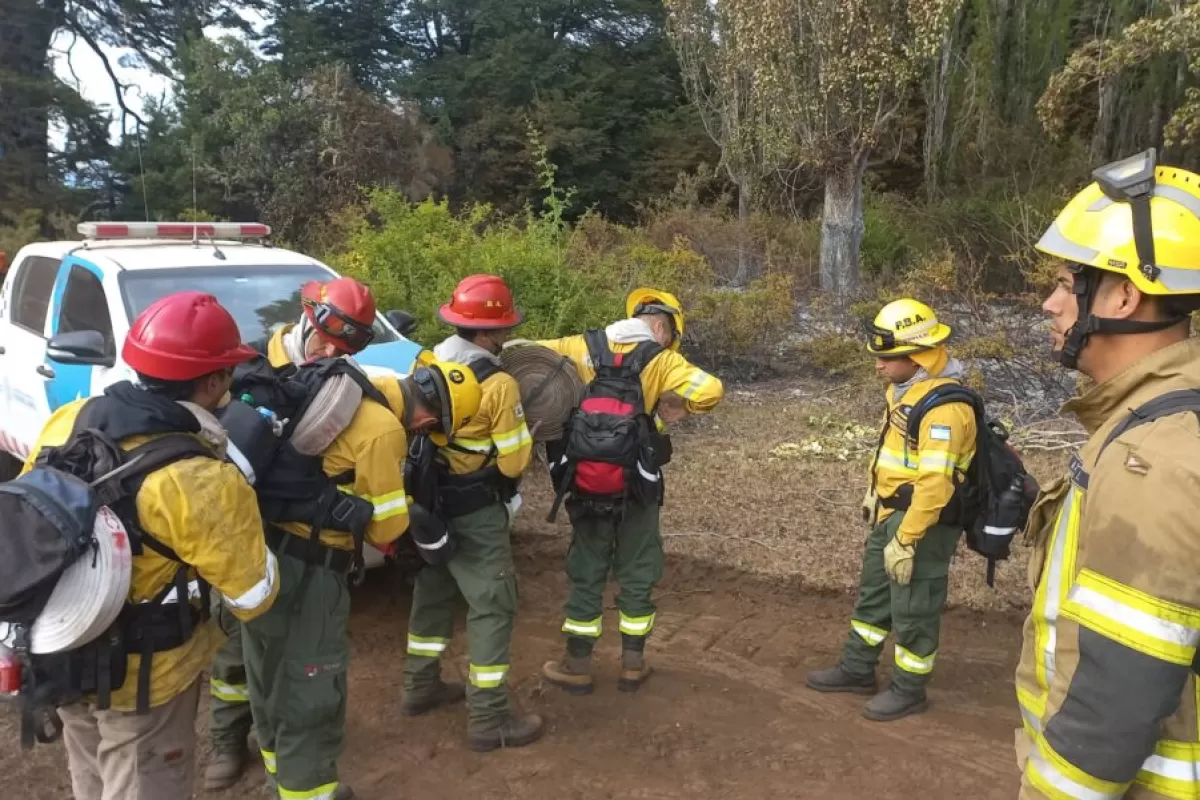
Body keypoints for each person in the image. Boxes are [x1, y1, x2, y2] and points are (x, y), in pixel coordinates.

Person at [24, 291, 279, 799]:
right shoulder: (202, 478)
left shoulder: (72, 419)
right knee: (142, 779)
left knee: (93, 774)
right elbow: (254, 596)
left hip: (61, 647)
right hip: (144, 677)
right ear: (213, 382)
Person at [1014, 151, 1200, 798]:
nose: (1049, 304)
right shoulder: (1155, 423)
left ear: (1125, 294)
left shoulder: (1152, 460)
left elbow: (1112, 706)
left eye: (1068, 283)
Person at [239, 327, 481, 800]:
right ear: (430, 414)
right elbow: (385, 529)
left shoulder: (346, 382)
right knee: (314, 679)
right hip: (311, 569)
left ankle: (278, 774)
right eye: (432, 427)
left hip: (262, 551)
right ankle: (308, 788)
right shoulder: (383, 430)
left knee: (267, 668)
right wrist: (408, 511)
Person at [204, 276, 378, 790]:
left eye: (344, 347)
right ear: (306, 315)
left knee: (274, 657)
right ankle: (225, 739)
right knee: (236, 650)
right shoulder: (249, 370)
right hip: (237, 534)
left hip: (288, 541)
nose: (330, 352)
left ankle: (280, 762)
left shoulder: (340, 381)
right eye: (326, 340)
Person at [539, 288, 724, 694]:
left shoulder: (578, 345)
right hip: (638, 483)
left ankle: (577, 664)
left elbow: (522, 357)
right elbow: (711, 389)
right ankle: (632, 665)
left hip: (585, 481)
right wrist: (682, 406)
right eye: (669, 335)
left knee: (587, 569)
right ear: (661, 327)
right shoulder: (662, 359)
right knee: (637, 568)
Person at [805, 298, 976, 721]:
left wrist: (907, 538)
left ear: (917, 356)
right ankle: (858, 668)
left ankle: (909, 688)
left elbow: (936, 484)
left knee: (915, 606)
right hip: (890, 513)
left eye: (886, 358)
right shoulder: (907, 392)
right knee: (876, 595)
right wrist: (874, 494)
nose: (878, 366)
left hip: (922, 523)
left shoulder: (945, 408)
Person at [401, 274, 544, 751]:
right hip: (477, 508)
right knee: (492, 603)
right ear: (486, 333)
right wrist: (527, 433)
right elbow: (513, 461)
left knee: (434, 590)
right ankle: (489, 718)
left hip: (430, 505)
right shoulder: (499, 384)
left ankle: (419, 686)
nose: (505, 335)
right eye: (501, 327)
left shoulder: (429, 361)